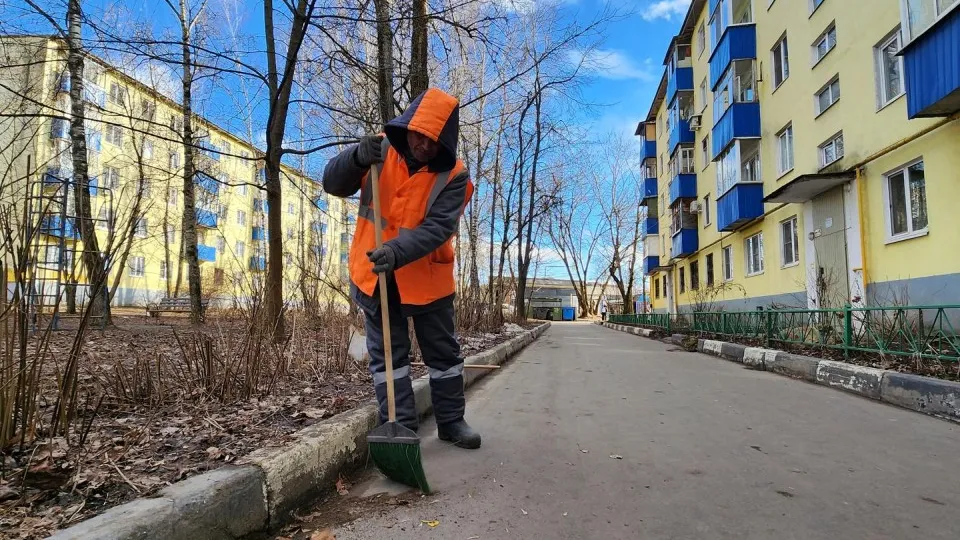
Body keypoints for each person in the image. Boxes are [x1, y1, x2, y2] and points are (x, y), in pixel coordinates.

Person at [323, 89, 479, 449]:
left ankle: (452, 422)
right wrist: (355, 158)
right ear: (407, 126)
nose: (424, 144)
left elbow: (439, 228)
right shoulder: (378, 149)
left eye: (433, 139)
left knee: (443, 354)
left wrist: (396, 250)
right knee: (389, 358)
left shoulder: (455, 175)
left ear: (446, 140)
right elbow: (332, 183)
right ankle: (401, 428)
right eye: (418, 134)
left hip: (427, 277)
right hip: (375, 276)